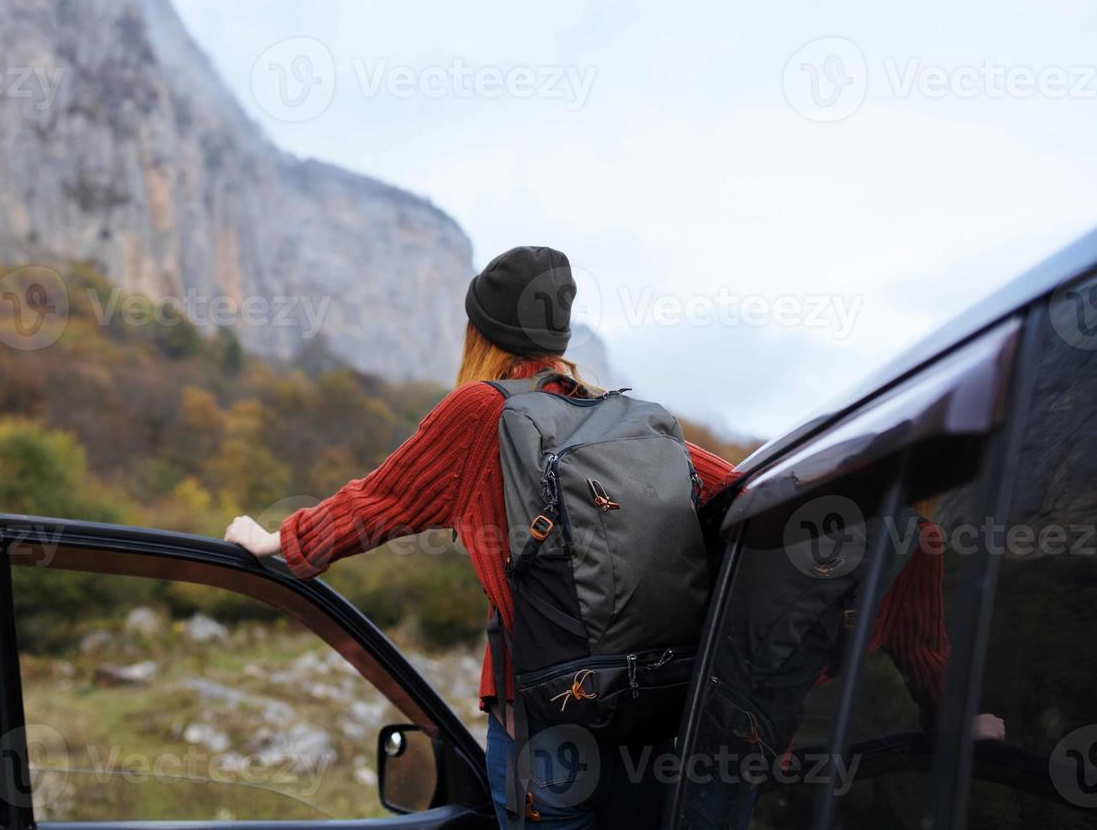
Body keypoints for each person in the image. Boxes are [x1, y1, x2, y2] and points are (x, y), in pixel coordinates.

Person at [226, 246, 737, 829]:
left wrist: (279, 541)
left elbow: (377, 502)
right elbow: (737, 493)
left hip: (548, 721)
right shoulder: (632, 419)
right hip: (658, 715)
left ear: (479, 332)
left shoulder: (481, 411)